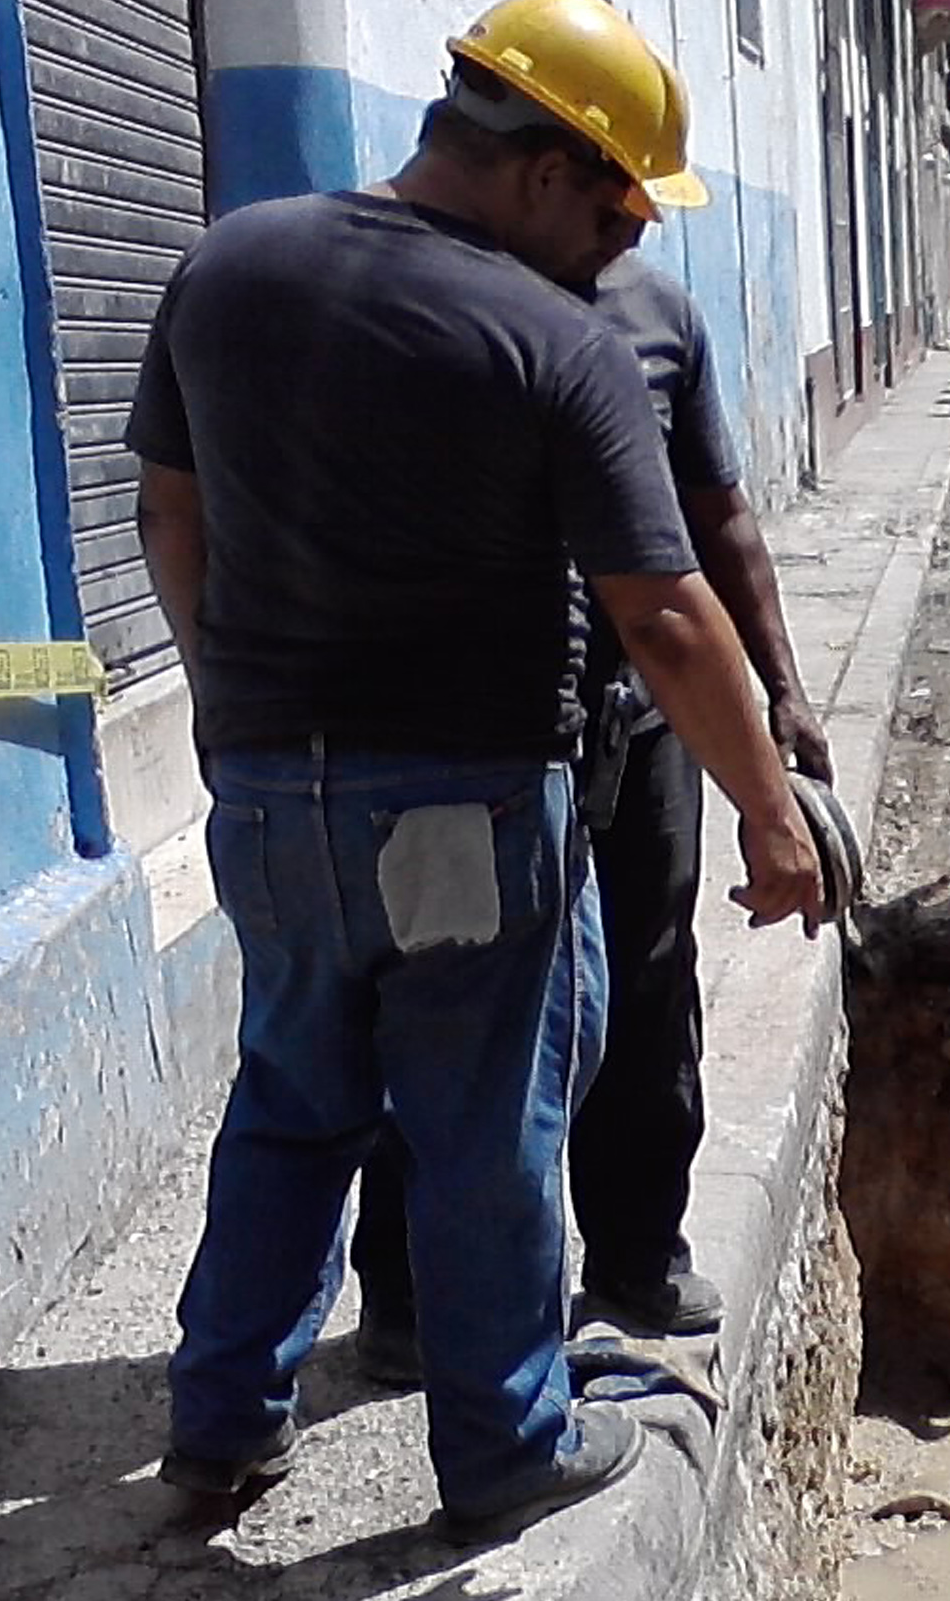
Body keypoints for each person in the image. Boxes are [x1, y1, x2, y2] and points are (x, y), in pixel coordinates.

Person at [128, 0, 822, 1543]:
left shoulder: (226, 264)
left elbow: (171, 516)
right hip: (460, 804)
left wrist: (226, 689)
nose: (629, 245)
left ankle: (221, 1422)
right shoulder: (549, 341)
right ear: (541, 166)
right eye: (619, 205)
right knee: (486, 1116)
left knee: (293, 1100)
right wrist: (771, 819)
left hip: (262, 795)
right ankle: (508, 1442)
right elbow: (662, 613)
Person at [351, 157, 835, 1368]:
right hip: (477, 738)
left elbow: (718, 517)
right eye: (616, 204)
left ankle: (635, 1250)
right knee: (445, 1004)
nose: (629, 229)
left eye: (639, 214)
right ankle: (407, 1291)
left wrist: (782, 690)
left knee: (649, 983)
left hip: (638, 725)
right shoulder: (432, 303)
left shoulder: (659, 316)